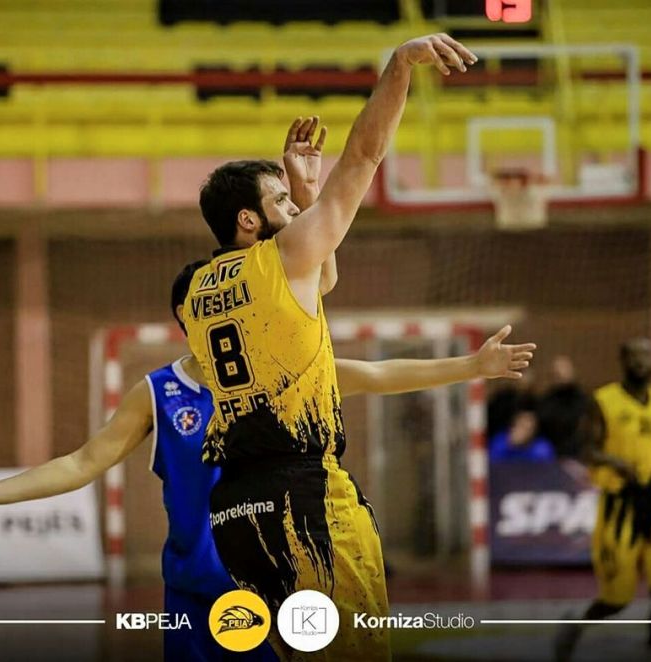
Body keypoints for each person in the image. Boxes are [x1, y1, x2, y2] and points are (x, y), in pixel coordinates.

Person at [0, 262, 533, 661]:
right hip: (194, 593)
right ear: (189, 315)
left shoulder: (283, 372)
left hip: (272, 583)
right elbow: (82, 462)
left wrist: (472, 366)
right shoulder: (157, 393)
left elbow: (376, 374)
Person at [183, 34, 481, 660]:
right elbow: (366, 155)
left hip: (236, 510)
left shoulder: (196, 289)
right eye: (279, 202)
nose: (294, 211)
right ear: (248, 220)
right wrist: (399, 65)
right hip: (304, 498)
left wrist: (301, 195)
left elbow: (321, 282)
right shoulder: (280, 258)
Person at [554, 337, 651, 661]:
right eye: (635, 356)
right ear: (623, 361)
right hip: (620, 506)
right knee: (618, 597)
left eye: (647, 356)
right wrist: (615, 462)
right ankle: (576, 626)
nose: (641, 362)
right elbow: (587, 450)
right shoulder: (604, 401)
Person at [536, 355, 590, 458]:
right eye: (556, 371)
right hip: (550, 453)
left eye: (564, 369)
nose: (560, 373)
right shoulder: (546, 400)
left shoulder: (583, 399)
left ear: (573, 372)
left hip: (577, 453)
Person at [488, 408, 555, 462]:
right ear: (513, 427)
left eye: (529, 429)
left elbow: (547, 470)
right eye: (522, 426)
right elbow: (492, 465)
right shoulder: (500, 442)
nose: (524, 432)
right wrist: (510, 445)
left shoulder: (541, 448)